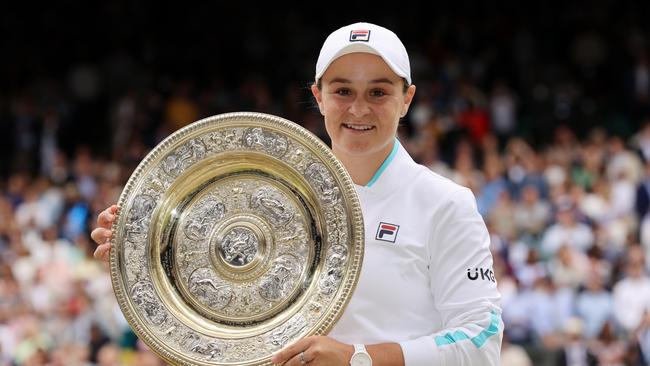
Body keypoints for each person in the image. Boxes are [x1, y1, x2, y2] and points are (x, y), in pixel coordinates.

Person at [91, 22, 502, 365]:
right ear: (319, 97)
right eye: (343, 91)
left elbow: (481, 342)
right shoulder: (268, 193)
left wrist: (357, 357)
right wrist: (141, 254)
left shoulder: (445, 204)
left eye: (378, 92)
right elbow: (223, 330)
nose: (359, 110)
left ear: (406, 100)